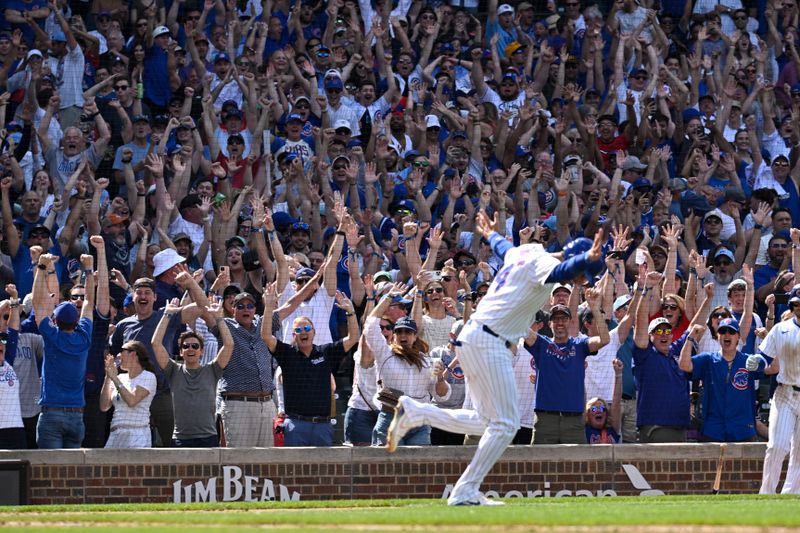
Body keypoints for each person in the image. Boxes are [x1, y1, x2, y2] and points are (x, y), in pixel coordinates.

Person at [383, 212, 605, 506]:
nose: (582, 280)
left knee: (488, 420)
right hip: (490, 341)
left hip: (474, 336)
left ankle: (417, 412)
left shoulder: (528, 251)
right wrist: (586, 259)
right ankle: (465, 489)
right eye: (585, 275)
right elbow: (562, 271)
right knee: (507, 424)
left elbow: (505, 249)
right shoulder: (547, 263)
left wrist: (490, 234)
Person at [261, 284, 359, 446]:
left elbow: (353, 337)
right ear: (293, 335)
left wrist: (350, 312)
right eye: (299, 330)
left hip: (322, 426)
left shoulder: (326, 352)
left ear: (314, 332)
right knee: (294, 471)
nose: (304, 332)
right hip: (295, 425)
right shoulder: (287, 353)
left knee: (322, 471)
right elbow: (265, 335)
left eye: (307, 328)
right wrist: (269, 307)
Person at [32, 252, 94, 449]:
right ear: (76, 320)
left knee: (49, 472)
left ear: (55, 321)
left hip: (52, 414)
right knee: (72, 475)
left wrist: (41, 268)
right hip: (77, 415)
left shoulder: (52, 336)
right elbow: (89, 302)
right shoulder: (84, 336)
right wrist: (89, 269)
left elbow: (38, 302)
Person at [153, 299, 232, 447]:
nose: (190, 349)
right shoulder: (173, 370)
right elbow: (156, 343)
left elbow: (229, 344)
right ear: (181, 351)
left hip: (209, 437)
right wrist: (167, 314)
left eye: (195, 346)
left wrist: (219, 318)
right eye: (186, 346)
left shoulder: (212, 369)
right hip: (181, 439)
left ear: (201, 351)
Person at [747, 285, 800, 494]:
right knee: (776, 446)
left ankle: (792, 495)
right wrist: (757, 362)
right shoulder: (781, 328)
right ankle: (766, 493)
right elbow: (765, 356)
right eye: (796, 303)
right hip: (785, 392)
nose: (799, 307)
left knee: (799, 453)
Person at [679, 318, 764, 443]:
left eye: (731, 332)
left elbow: (773, 368)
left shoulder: (748, 361)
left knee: (744, 463)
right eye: (723, 331)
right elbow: (684, 365)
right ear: (717, 336)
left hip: (743, 429)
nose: (727, 335)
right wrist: (690, 338)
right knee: (711, 463)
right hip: (714, 429)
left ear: (738, 337)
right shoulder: (708, 359)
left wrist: (768, 338)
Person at [100, 340, 156, 448]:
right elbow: (104, 406)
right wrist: (108, 376)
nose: (118, 355)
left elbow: (132, 401)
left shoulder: (148, 376)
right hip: (115, 433)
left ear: (133, 354)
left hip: (137, 435)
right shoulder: (120, 378)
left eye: (122, 351)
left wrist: (115, 378)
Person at [585, 359, 623, 444]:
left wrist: (618, 374)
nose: (599, 411)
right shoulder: (584, 431)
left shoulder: (612, 429)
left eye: (602, 408)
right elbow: (581, 396)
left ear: (606, 414)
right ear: (587, 414)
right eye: (594, 409)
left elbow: (616, 400)